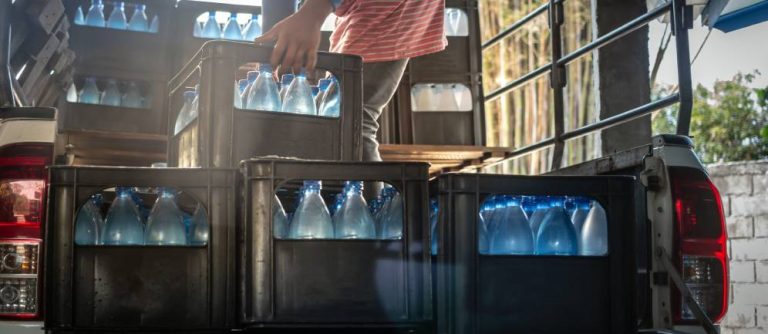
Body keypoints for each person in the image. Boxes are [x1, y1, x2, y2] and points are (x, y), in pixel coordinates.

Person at [255, 0, 447, 162]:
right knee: (337, 114)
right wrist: (274, 49)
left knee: (352, 119)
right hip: (353, 8)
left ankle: (368, 205)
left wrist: (313, 13)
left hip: (381, 6)